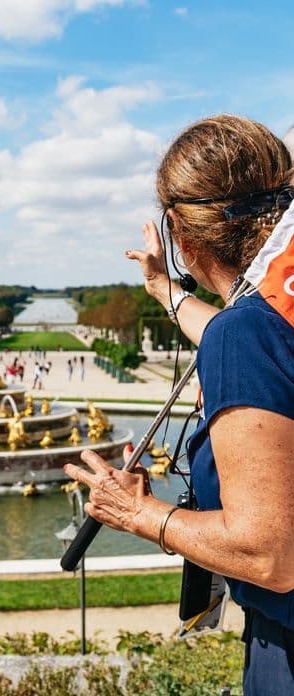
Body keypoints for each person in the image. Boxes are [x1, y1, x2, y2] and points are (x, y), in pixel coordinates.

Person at [64, 115, 294, 694]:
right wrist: (167, 292)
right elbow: (260, 344)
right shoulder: (267, 314)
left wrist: (138, 513)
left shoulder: (243, 335)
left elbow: (270, 554)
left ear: (178, 231)